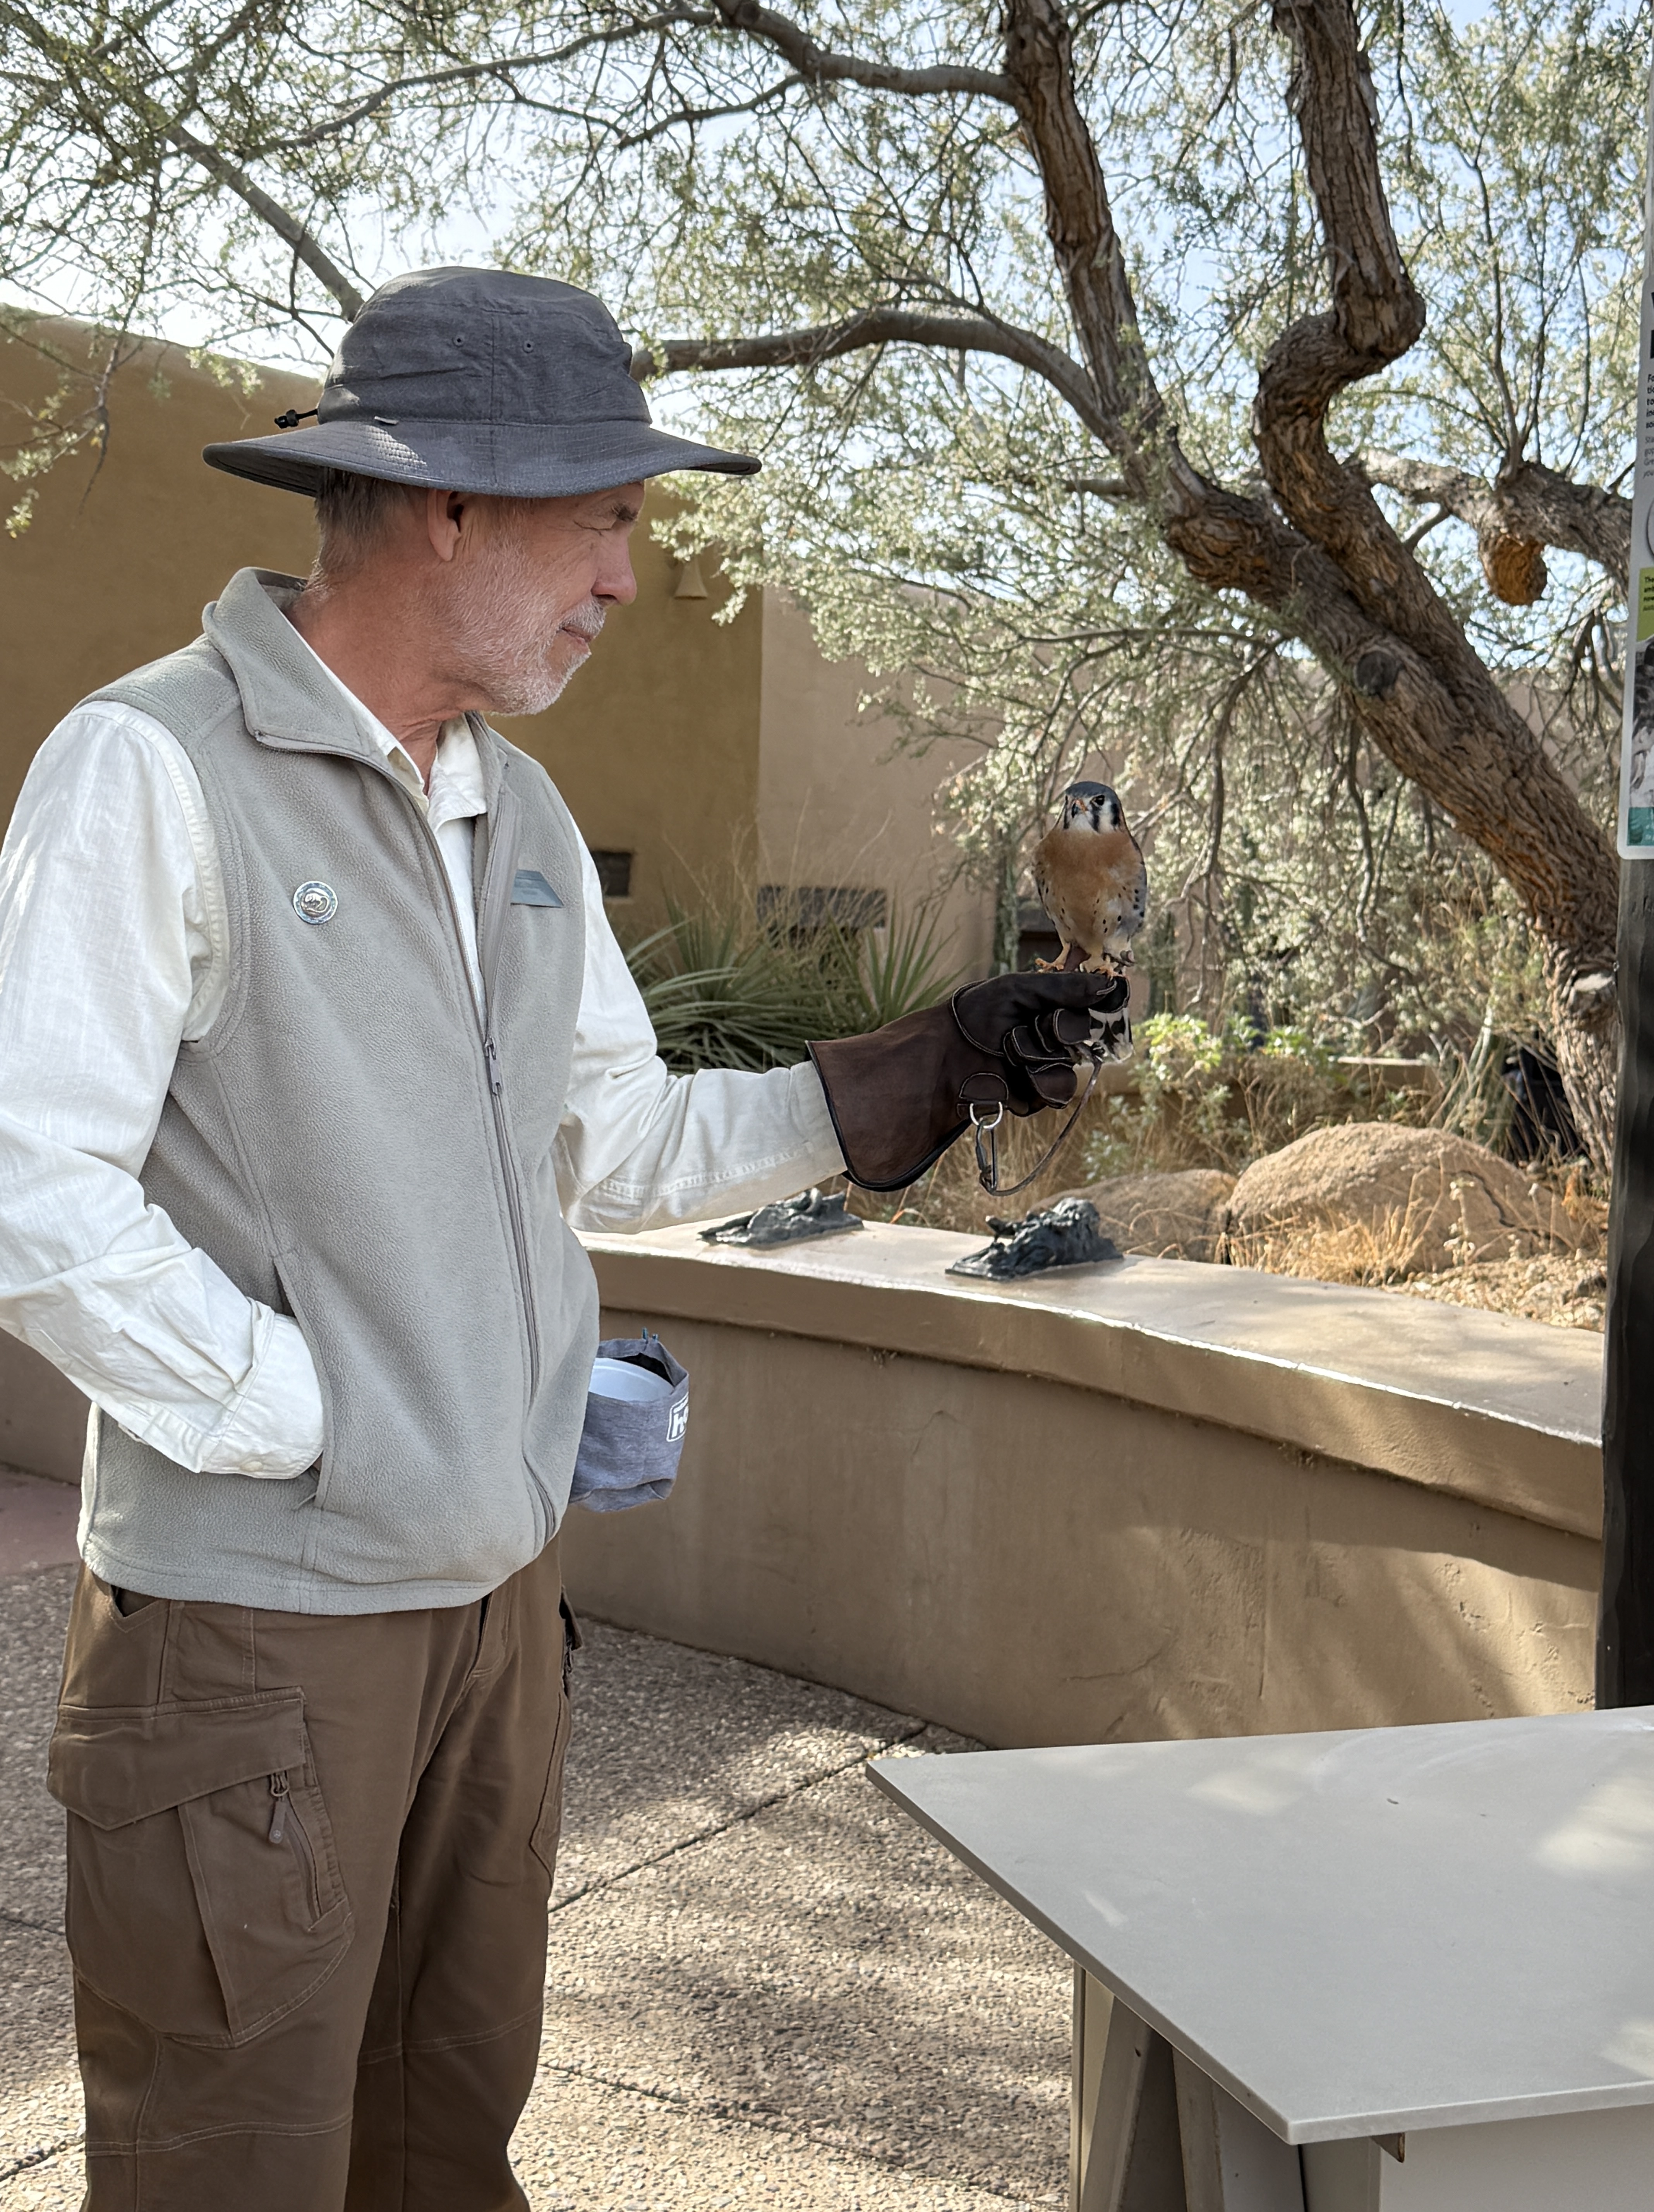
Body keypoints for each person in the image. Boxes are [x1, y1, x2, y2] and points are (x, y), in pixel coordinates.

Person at [0, 266, 1125, 2210]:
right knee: (227, 2171)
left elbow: (620, 1140)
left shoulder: (514, 810)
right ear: (448, 502)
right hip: (261, 1635)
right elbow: (33, 1185)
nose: (625, 577)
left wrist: (925, 1069)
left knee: (442, 2147)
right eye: (603, 520)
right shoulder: (152, 767)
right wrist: (316, 1419)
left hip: (499, 1620)